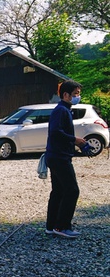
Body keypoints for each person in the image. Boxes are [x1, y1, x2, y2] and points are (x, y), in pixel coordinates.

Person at [45, 80, 87, 239]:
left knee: (59, 191)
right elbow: (55, 132)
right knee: (72, 190)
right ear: (65, 95)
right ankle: (62, 226)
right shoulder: (61, 110)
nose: (78, 97)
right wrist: (74, 140)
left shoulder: (64, 110)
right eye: (75, 94)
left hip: (56, 156)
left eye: (78, 94)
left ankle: (51, 226)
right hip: (59, 158)